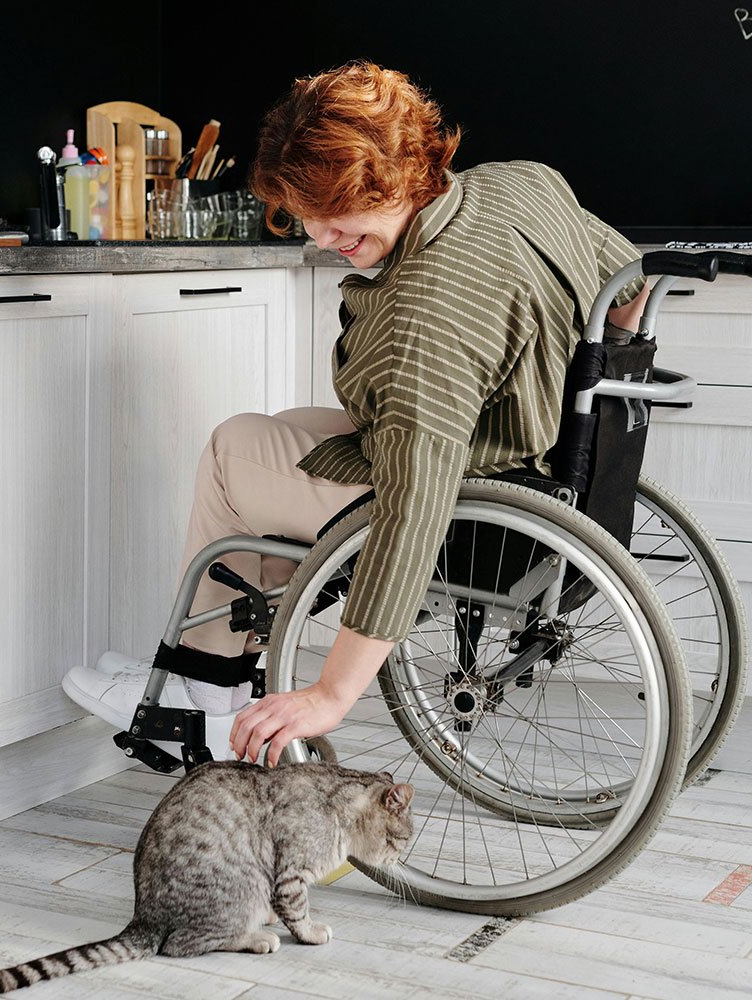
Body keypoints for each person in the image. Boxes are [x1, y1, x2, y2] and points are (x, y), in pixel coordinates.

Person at [63, 59, 649, 768]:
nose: (317, 235)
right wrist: (577, 397)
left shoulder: (426, 317)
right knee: (275, 432)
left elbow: (413, 509)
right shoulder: (523, 184)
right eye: (305, 211)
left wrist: (330, 695)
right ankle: (212, 669)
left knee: (232, 453)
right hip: (543, 463)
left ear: (390, 180)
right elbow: (628, 280)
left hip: (471, 506)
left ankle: (207, 694)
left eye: (331, 210)